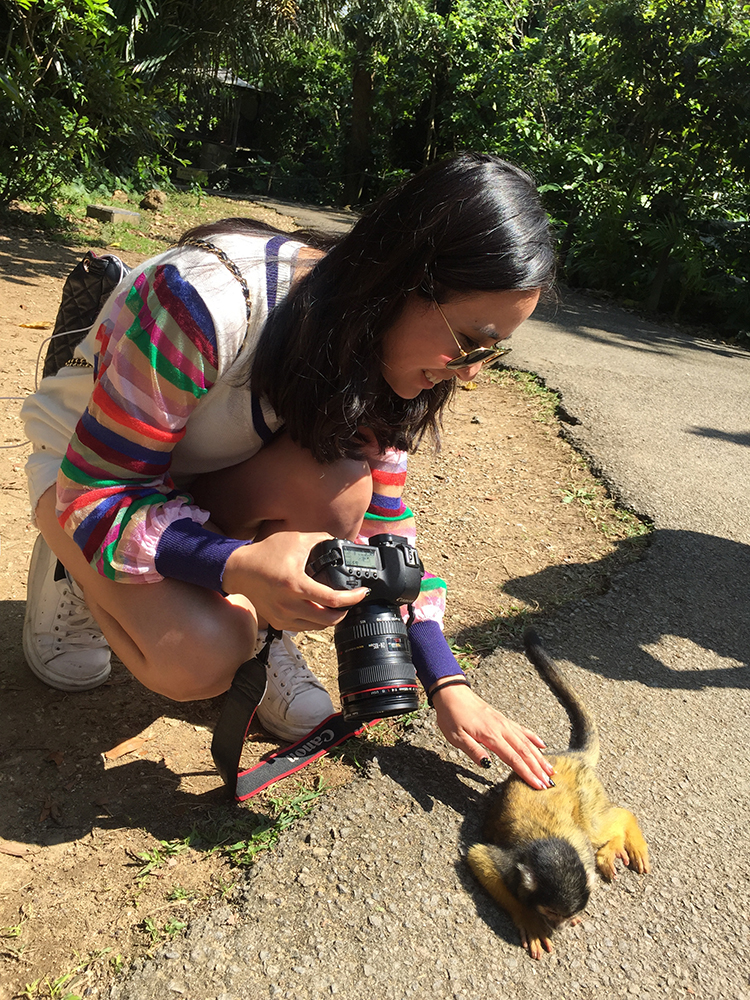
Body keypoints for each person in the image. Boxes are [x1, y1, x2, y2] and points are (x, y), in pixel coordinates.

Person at [21, 151, 556, 790]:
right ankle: (73, 573)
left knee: (342, 490)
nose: (469, 372)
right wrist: (234, 566)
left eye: (490, 352)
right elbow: (99, 493)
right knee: (201, 654)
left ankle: (260, 627)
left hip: (205, 469)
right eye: (468, 341)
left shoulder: (383, 359)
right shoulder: (203, 301)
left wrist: (447, 681)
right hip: (90, 475)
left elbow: (385, 534)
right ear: (404, 277)